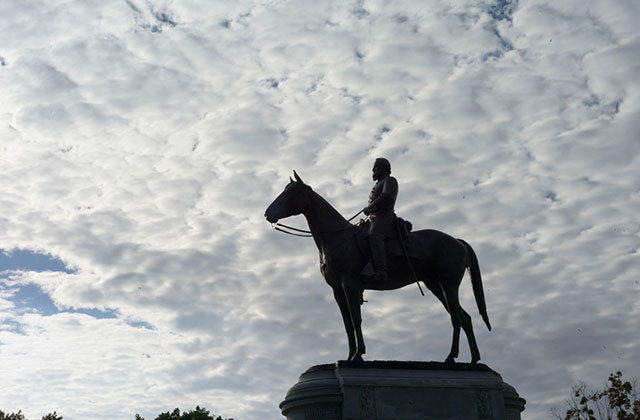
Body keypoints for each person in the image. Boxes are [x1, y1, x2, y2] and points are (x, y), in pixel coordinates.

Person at [362, 158, 398, 283]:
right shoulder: (377, 184)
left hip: (384, 217)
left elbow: (387, 197)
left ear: (384, 168)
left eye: (376, 167)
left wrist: (371, 207)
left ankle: (381, 271)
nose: (373, 170)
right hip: (373, 218)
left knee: (374, 235)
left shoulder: (390, 180)